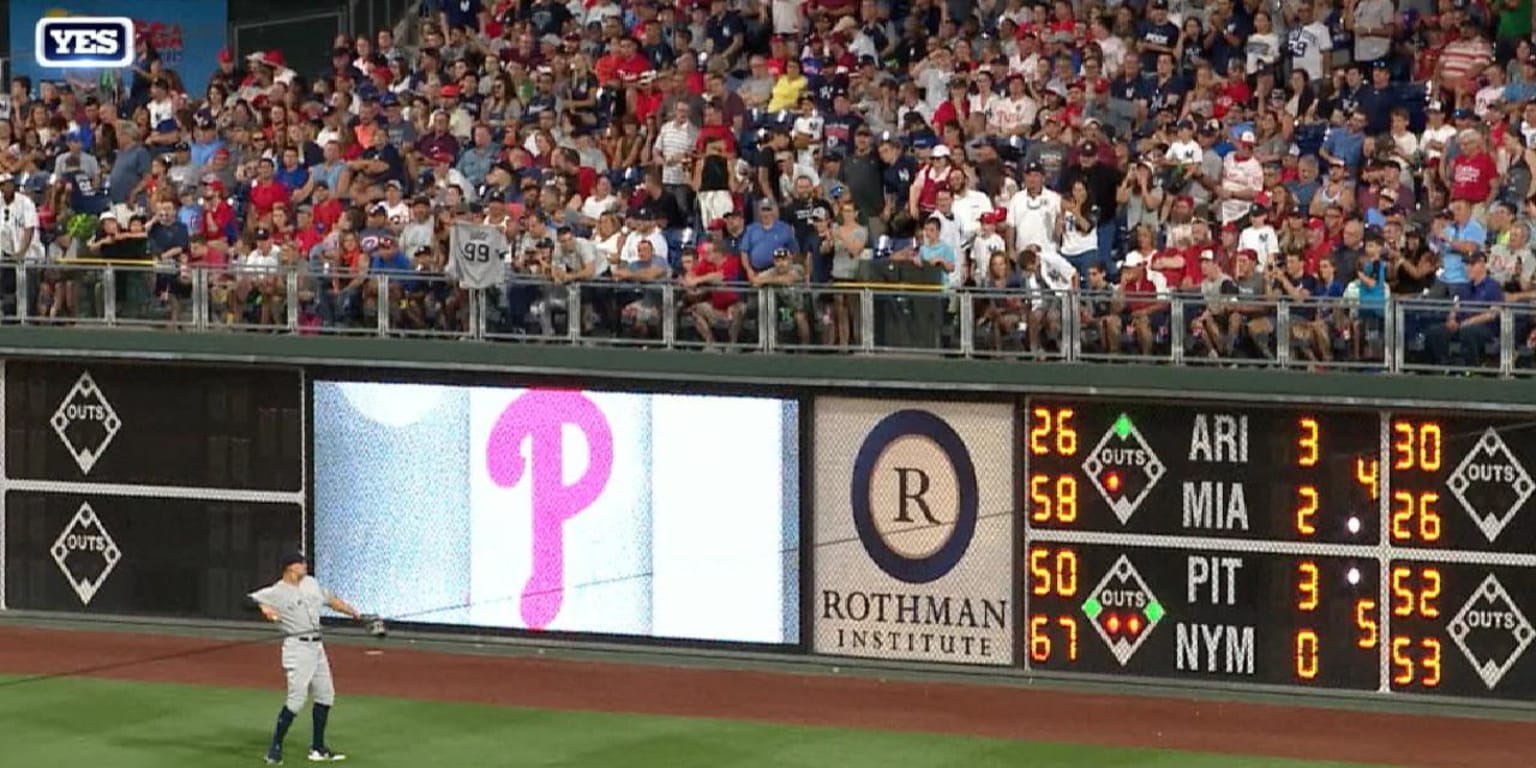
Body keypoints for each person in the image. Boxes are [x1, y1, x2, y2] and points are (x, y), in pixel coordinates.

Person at [248, 552, 364, 765]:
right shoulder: (277, 591)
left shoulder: (311, 583)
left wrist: (356, 614)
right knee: (296, 699)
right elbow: (250, 600)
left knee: (326, 695)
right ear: (290, 568)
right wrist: (265, 609)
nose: (305, 566)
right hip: (297, 649)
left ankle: (317, 749)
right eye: (301, 564)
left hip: (317, 647)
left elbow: (331, 600)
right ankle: (274, 748)